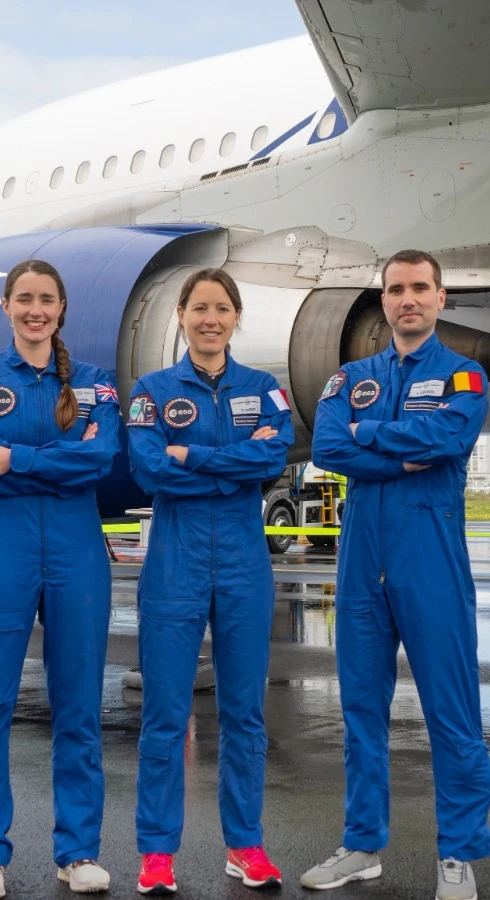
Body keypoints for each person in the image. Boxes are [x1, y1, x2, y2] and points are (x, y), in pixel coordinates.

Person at [302, 249, 490, 900]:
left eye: (420, 288)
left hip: (430, 558)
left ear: (441, 299)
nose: (407, 298)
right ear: (382, 302)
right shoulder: (347, 380)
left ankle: (459, 858)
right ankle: (361, 846)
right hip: (362, 563)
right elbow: (329, 448)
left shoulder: (465, 377)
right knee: (360, 711)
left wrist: (370, 440)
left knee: (452, 712)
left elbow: (449, 443)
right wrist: (401, 446)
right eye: (395, 289)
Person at [0, 259, 121, 899]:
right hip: (1, 551)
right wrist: (56, 463)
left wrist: (15, 457)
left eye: (46, 299)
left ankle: (77, 851)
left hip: (77, 552)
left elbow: (99, 459)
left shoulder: (97, 384)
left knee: (78, 705)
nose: (35, 310)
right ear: (6, 305)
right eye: (24, 299)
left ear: (62, 307)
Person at [125, 268, 295, 895]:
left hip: (245, 561)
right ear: (181, 315)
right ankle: (156, 853)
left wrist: (190, 455)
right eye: (199, 308)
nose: (210, 319)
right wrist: (231, 470)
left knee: (245, 712)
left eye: (222, 308)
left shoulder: (263, 388)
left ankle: (245, 846)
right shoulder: (152, 389)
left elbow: (273, 458)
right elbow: (148, 470)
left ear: (235, 317)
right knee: (166, 712)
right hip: (176, 557)